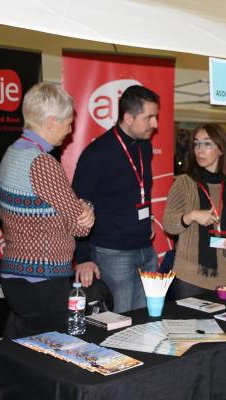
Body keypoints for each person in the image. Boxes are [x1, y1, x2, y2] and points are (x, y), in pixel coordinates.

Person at [0, 83, 95, 338]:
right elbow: (81, 226)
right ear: (51, 122)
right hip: (42, 282)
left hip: (16, 276)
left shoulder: (11, 152)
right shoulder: (42, 163)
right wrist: (88, 207)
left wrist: (75, 209)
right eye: (68, 123)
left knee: (23, 350)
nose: (70, 130)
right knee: (51, 357)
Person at [73, 85, 159, 313]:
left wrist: (147, 217)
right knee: (118, 322)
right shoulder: (97, 153)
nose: (155, 124)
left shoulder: (145, 147)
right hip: (113, 253)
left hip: (146, 249)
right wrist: (82, 257)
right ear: (128, 117)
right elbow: (77, 206)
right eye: (149, 117)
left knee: (146, 318)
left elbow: (139, 191)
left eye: (156, 117)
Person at [163, 123, 226, 299]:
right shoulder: (184, 183)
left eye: (207, 144)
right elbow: (168, 224)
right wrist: (192, 215)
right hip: (191, 277)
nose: (200, 150)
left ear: (221, 149)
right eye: (196, 144)